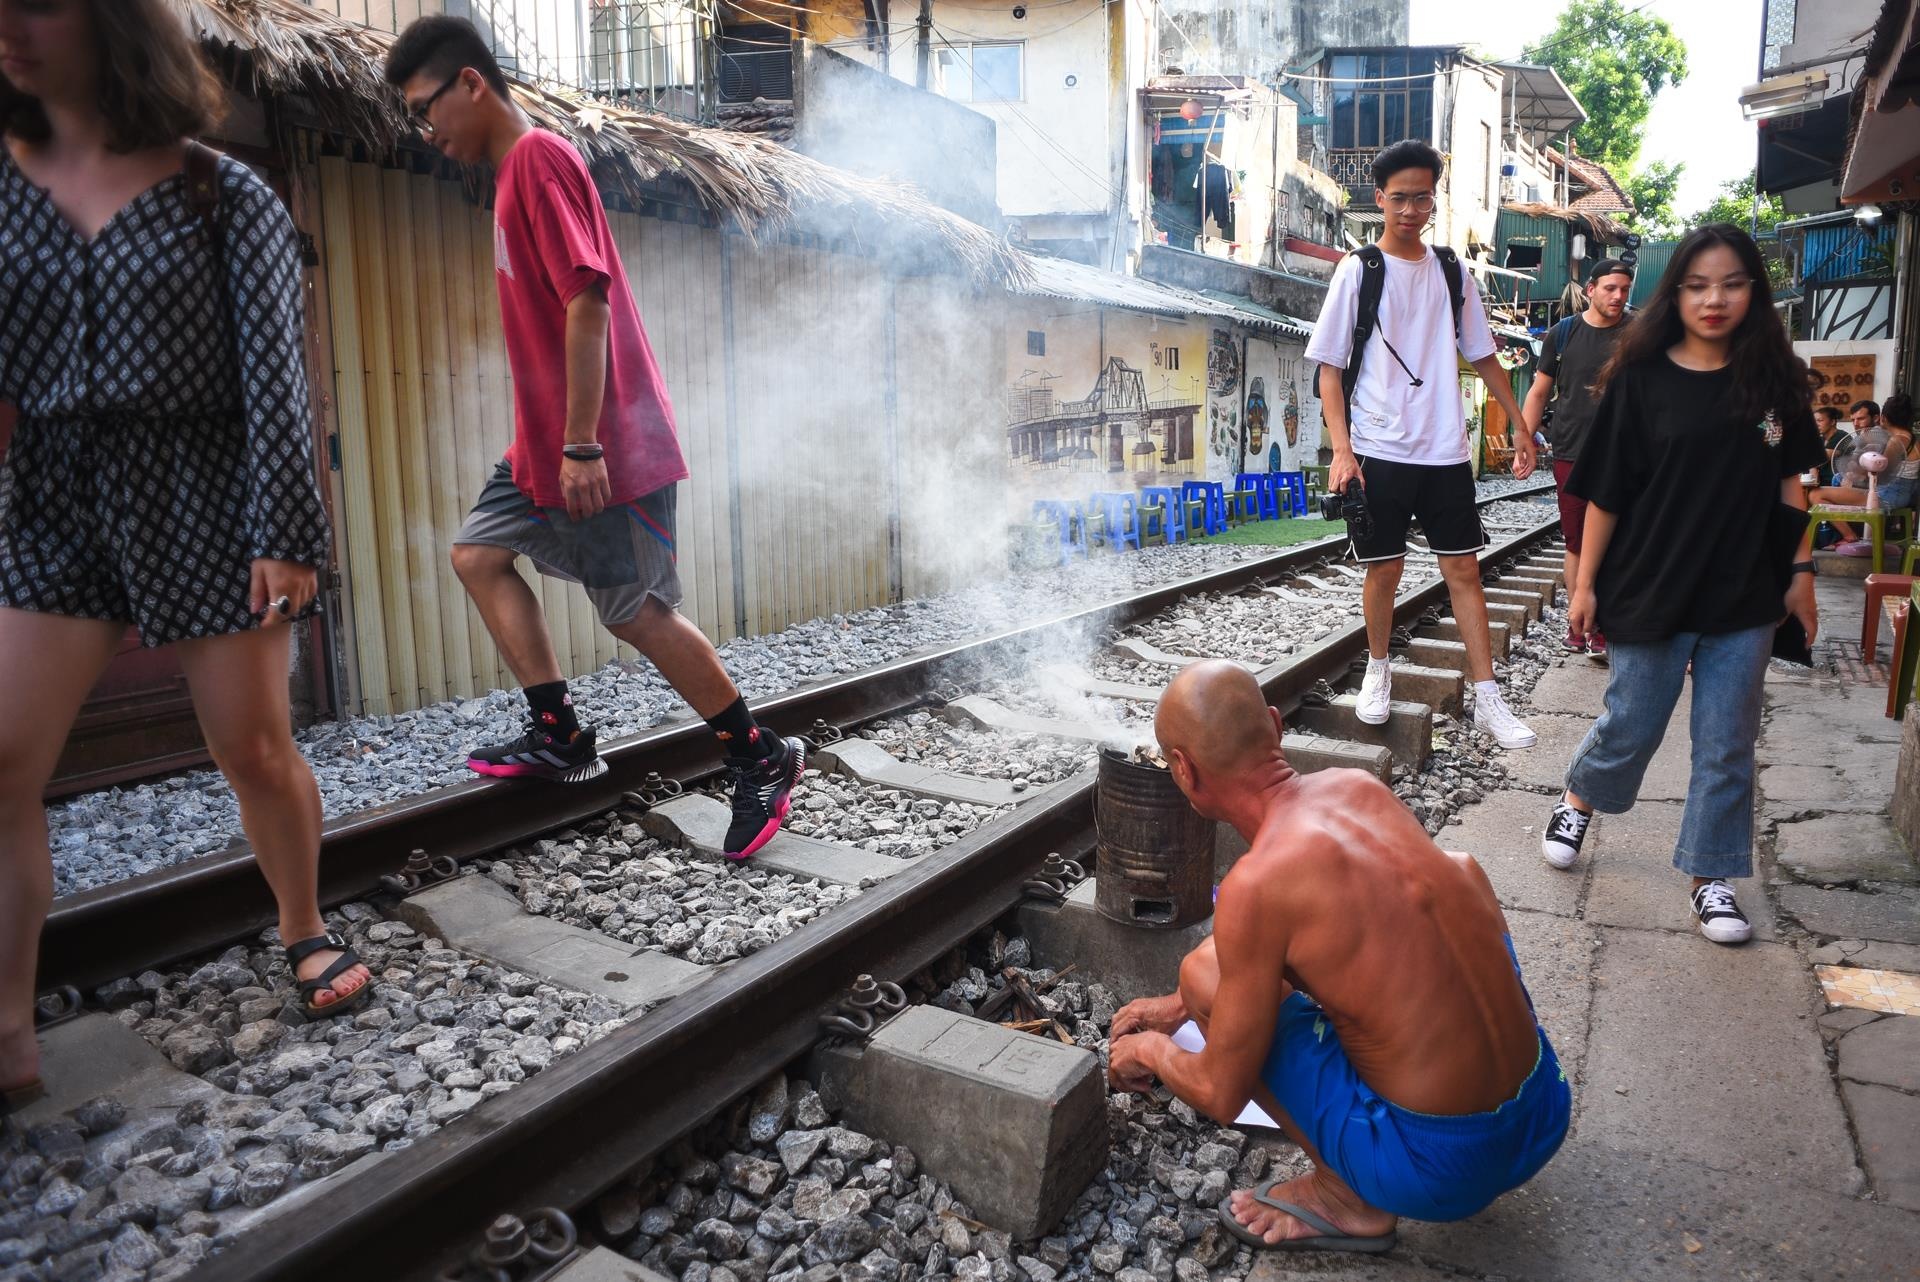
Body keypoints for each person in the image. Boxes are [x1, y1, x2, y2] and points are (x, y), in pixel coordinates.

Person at [0, 0, 374, 1109]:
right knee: (3, 763)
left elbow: (276, 378)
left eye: (41, 4)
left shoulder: (223, 194)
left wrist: (288, 537)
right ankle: (8, 1019)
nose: (11, 25)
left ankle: (302, 925)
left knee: (253, 749)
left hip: (203, 494)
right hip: (56, 497)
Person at [384, 18, 805, 859]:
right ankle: (559, 732)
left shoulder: (539, 159)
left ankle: (760, 756)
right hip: (542, 446)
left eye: (427, 109)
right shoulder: (507, 178)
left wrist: (580, 442)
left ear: (471, 83)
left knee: (636, 615)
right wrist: (539, 440)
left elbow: (588, 300)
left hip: (604, 445)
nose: (427, 131)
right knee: (477, 553)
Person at [1106, 661, 1569, 1254]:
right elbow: (1365, 935)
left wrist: (1147, 1047)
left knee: (1203, 972)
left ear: (1183, 771)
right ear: (1275, 728)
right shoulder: (1357, 787)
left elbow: (1222, 1092)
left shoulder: (1257, 885)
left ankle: (1346, 1198)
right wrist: (1176, 1010)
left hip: (1442, 1171)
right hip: (1545, 1107)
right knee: (1459, 869)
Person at [1539, 225, 1823, 945]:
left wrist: (1801, 574)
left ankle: (1712, 876)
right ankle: (1579, 796)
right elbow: (1606, 493)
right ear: (1676, 294)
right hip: (1651, 582)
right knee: (1633, 720)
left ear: (1753, 290)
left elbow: (1790, 481)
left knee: (1726, 739)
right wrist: (1586, 586)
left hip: (1744, 588)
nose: (1715, 298)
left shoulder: (1773, 381)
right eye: (1697, 286)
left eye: (1730, 283)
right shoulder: (1641, 376)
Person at [1304, 140, 1538, 750]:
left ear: (1435, 198)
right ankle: (1378, 671)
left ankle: (1489, 697)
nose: (1411, 209)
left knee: (1463, 567)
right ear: (1379, 198)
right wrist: (1343, 450)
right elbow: (1329, 367)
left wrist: (1517, 422)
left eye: (1423, 197)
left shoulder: (1452, 270)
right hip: (1378, 445)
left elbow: (1483, 351)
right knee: (1384, 569)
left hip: (1443, 447)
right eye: (1400, 197)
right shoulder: (1359, 269)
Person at [1522, 259, 1634, 661]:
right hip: (1572, 451)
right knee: (1575, 542)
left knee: (1619, 541)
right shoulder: (1563, 333)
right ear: (1591, 290)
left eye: (1625, 288)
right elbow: (1538, 392)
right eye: (1610, 288)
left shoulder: (1638, 332)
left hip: (1627, 453)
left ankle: (1605, 624)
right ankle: (1580, 623)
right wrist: (1525, 440)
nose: (1619, 296)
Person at [1806, 395, 1916, 556]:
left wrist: (1856, 473)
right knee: (1837, 482)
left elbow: (1882, 474)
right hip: (1900, 494)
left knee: (1816, 494)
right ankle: (1847, 535)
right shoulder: (1912, 438)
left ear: (1883, 418)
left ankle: (1849, 536)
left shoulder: (1896, 441)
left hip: (1887, 496)